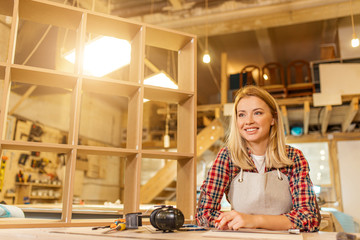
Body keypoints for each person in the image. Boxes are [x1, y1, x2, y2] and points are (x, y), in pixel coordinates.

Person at [196, 85, 320, 232]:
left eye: (257, 113)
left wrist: (253, 220)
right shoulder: (227, 157)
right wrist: (233, 220)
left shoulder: (294, 157)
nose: (248, 121)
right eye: (242, 114)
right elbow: (204, 214)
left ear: (273, 118)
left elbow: (310, 217)